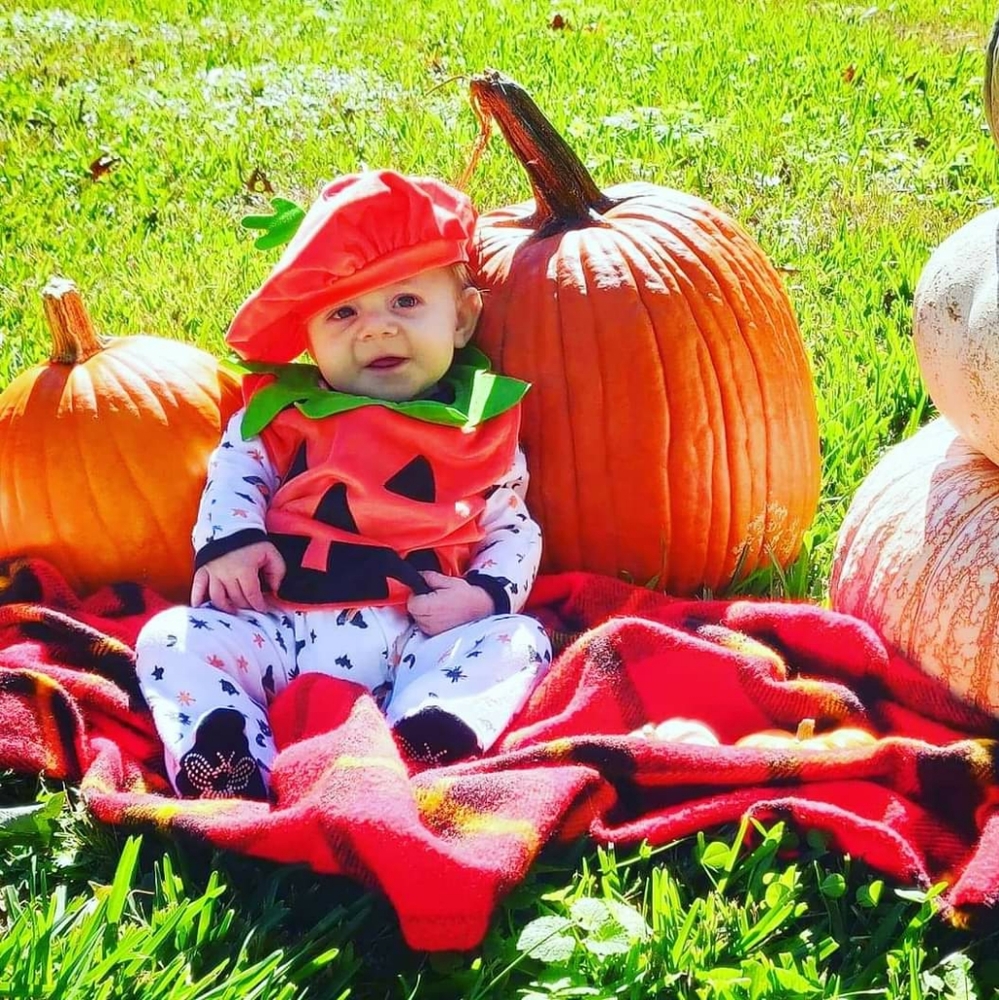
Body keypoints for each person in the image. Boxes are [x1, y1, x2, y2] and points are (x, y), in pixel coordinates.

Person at [135, 170, 551, 800]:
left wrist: (486, 598)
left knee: (520, 640)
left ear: (463, 319)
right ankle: (229, 758)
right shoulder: (282, 414)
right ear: (308, 335)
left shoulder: (480, 426)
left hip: (420, 631)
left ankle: (427, 736)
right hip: (280, 620)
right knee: (170, 638)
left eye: (406, 302)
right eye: (344, 311)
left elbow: (511, 526)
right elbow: (236, 471)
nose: (375, 329)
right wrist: (233, 541)